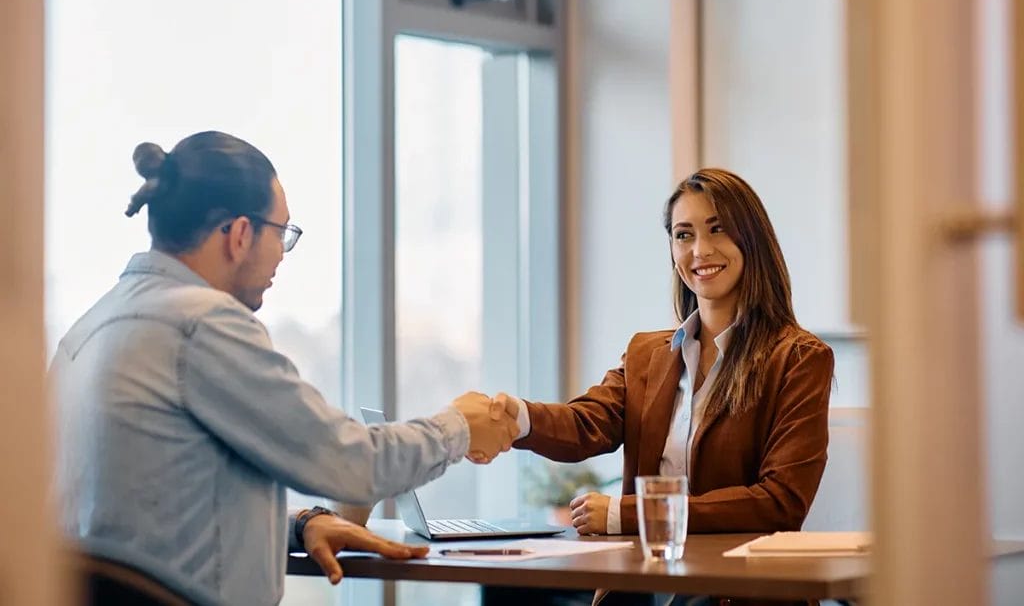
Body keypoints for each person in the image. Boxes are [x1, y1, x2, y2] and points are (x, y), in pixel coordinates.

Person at [51, 131, 518, 606]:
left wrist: (299, 523)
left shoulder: (86, 332)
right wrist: (459, 427)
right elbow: (352, 463)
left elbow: (153, 517)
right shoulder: (203, 323)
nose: (281, 254)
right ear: (238, 234)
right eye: (282, 234)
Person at [493, 168, 834, 605]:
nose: (700, 250)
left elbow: (779, 501)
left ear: (752, 239)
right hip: (645, 586)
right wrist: (512, 417)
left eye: (718, 229)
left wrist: (627, 514)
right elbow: (586, 424)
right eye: (683, 234)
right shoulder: (648, 354)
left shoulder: (799, 359)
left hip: (737, 593)